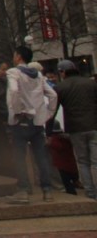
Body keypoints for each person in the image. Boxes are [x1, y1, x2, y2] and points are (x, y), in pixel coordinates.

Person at [5, 45, 58, 204]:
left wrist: (17, 111)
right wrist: (48, 113)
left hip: (21, 120)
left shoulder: (14, 72)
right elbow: (53, 94)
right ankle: (47, 190)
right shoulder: (38, 76)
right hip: (37, 122)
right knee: (40, 156)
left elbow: (14, 91)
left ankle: (23, 189)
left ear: (19, 56)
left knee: (19, 156)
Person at [54, 59, 97, 200]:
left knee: (83, 162)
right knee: (96, 161)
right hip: (94, 125)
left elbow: (53, 110)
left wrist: (49, 128)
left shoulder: (60, 87)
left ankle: (90, 192)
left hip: (75, 128)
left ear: (63, 72)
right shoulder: (91, 83)